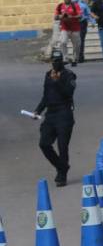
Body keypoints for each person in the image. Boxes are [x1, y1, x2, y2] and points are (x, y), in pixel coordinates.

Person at [33, 49, 76, 187]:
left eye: (57, 61)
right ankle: (62, 166)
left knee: (62, 146)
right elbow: (46, 95)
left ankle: (62, 175)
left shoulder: (69, 75)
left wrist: (57, 81)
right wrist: (38, 110)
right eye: (53, 61)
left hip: (64, 114)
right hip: (51, 114)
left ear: (62, 61)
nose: (55, 63)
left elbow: (68, 93)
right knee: (44, 143)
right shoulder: (48, 75)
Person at [54, 0, 82, 67]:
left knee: (77, 45)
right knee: (62, 42)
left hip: (75, 28)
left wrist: (71, 16)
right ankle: (65, 58)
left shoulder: (75, 6)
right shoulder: (60, 6)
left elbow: (80, 15)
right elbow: (55, 17)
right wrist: (61, 16)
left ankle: (74, 59)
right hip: (65, 28)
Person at [75, 0, 93, 64]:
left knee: (81, 40)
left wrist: (92, 22)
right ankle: (77, 56)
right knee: (76, 41)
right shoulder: (69, 5)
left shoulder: (83, 5)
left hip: (82, 23)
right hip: (74, 24)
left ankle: (80, 57)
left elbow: (88, 14)